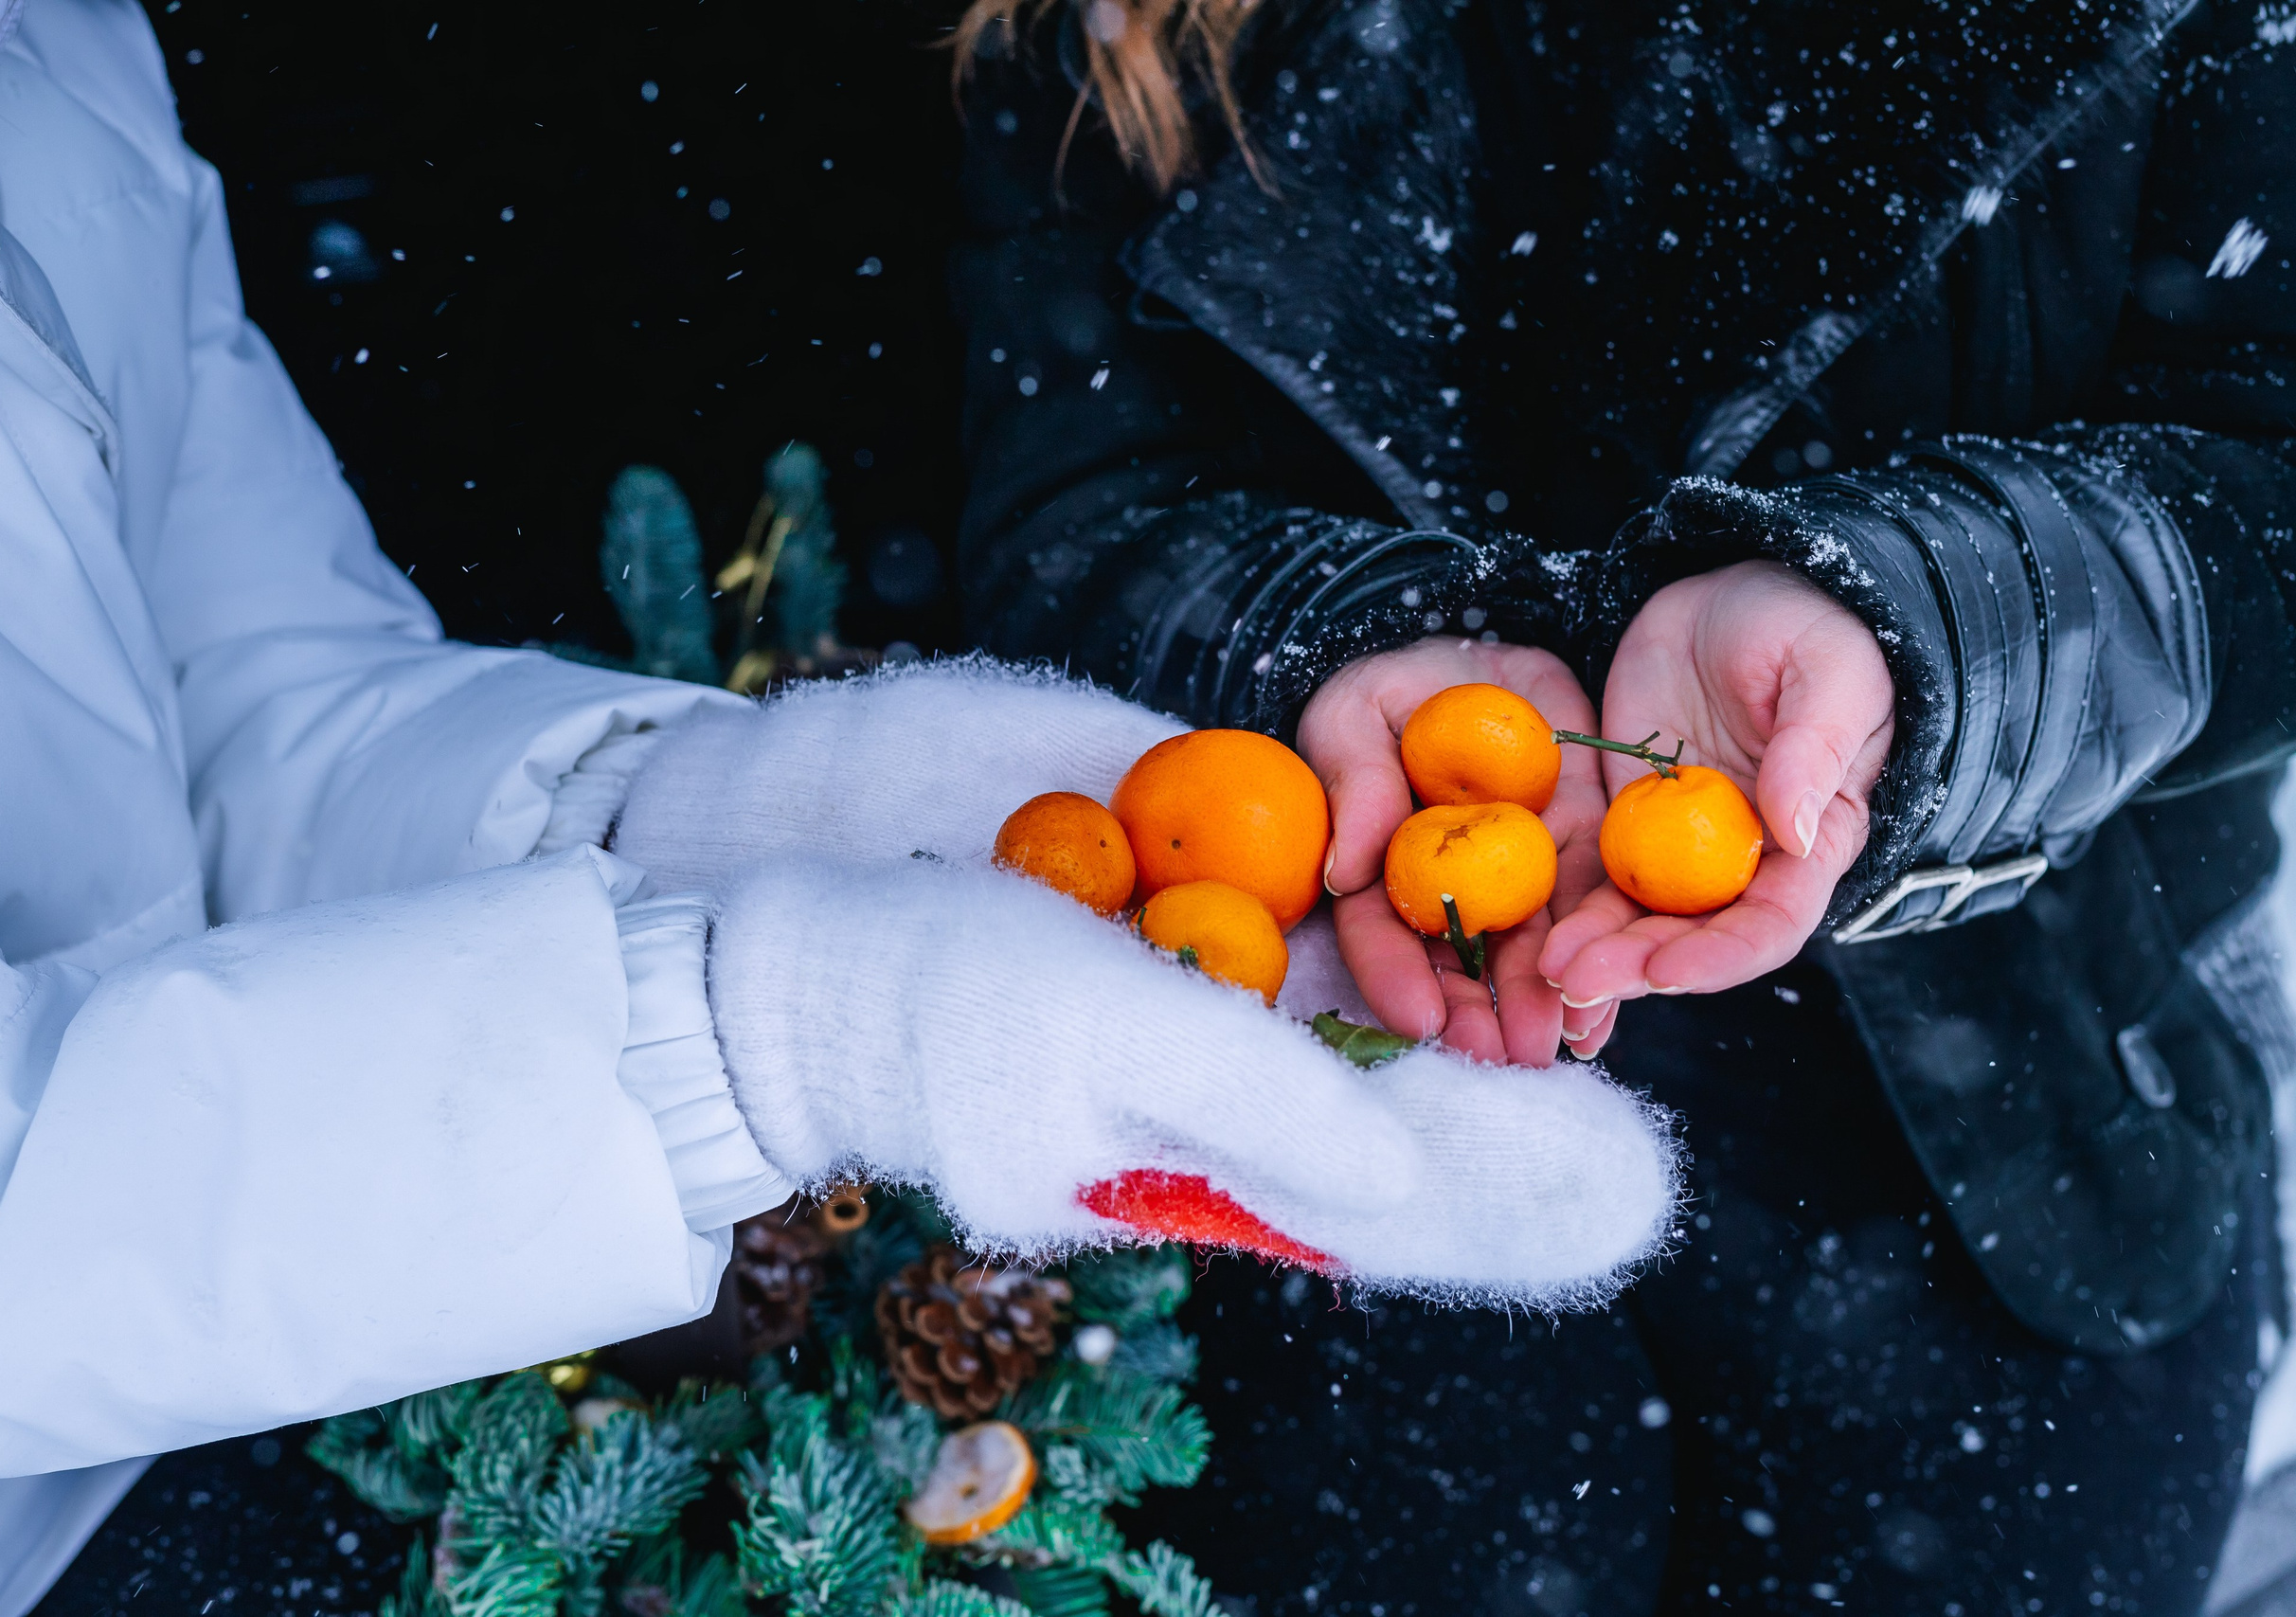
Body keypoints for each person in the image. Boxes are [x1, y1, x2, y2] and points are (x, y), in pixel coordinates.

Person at [0, 3, 1680, 1613]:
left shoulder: (15, 43)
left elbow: (250, 706)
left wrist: (741, 817)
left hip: (202, 1374)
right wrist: (771, 1024)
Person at [951, 0, 2296, 1609]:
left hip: (2016, 1129)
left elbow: (2267, 477)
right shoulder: (1123, 32)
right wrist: (1353, 637)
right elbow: (1075, 514)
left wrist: (1915, 628)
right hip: (1358, 1092)